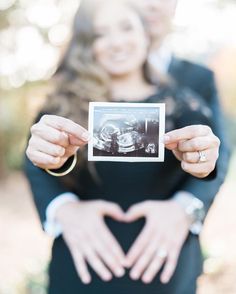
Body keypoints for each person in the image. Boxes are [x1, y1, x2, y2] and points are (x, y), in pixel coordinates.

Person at [25, 0, 221, 293]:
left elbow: (209, 167)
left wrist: (203, 163)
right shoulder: (62, 106)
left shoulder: (186, 106)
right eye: (100, 34)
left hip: (164, 267)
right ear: (87, 45)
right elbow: (41, 166)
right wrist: (60, 193)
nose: (116, 43)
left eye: (126, 28)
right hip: (83, 265)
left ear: (146, 34)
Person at [136, 0, 231, 213]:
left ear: (175, 6)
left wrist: (184, 208)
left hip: (174, 237)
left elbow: (220, 149)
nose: (152, 5)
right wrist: (62, 205)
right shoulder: (81, 71)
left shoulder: (201, 78)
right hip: (87, 235)